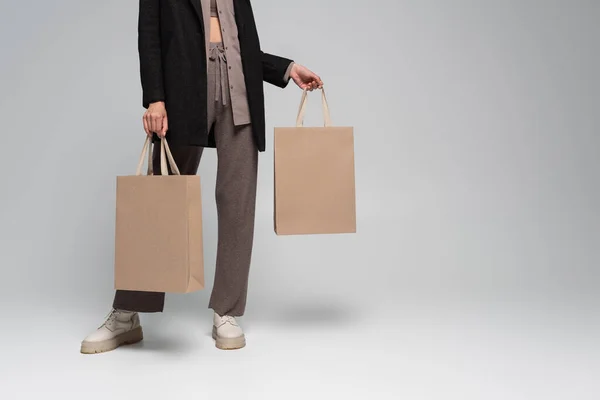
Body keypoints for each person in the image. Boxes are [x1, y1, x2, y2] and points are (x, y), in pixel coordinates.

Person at [80, 0, 323, 354]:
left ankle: (226, 310)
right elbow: (149, 36)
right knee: (161, 204)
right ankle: (126, 313)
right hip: (185, 90)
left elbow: (237, 41)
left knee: (238, 202)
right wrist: (155, 99)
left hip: (238, 87)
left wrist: (285, 69)